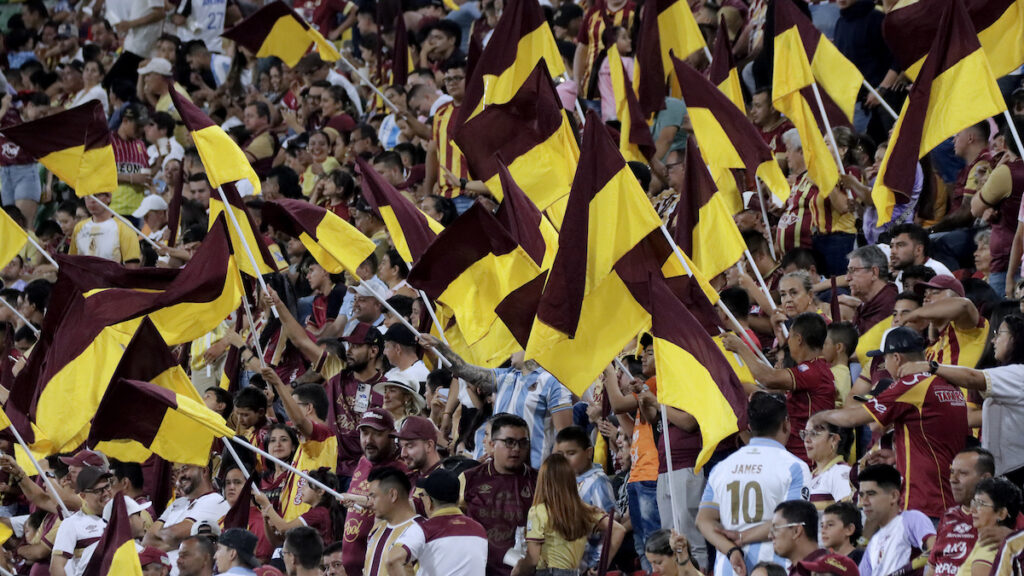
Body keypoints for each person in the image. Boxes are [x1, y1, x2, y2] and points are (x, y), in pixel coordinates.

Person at [813, 326, 968, 519]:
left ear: (896, 358)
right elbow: (932, 438)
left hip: (923, 500)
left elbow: (852, 418)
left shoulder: (911, 384)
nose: (885, 367)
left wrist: (819, 417)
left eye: (885, 359)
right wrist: (897, 456)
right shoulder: (949, 384)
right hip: (952, 496)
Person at [898, 315, 1024, 486]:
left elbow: (972, 377)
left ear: (1017, 338)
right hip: (1007, 471)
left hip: (1017, 471)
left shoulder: (1019, 373)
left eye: (999, 333)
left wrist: (931, 366)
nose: (993, 340)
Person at [697, 393, 812, 576]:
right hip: (774, 566)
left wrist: (731, 549)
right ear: (786, 424)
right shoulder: (795, 467)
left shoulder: (722, 467)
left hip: (729, 568)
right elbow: (790, 521)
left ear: (749, 426)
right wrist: (742, 538)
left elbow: (703, 520)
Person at [420, 335, 573, 469]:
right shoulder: (504, 377)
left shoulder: (554, 383)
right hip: (496, 472)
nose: (510, 352)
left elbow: (565, 436)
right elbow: (464, 370)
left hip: (534, 473)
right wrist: (440, 347)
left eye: (515, 346)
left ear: (532, 347)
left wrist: (551, 476)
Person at [724, 312, 836, 463]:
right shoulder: (816, 369)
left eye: (790, 337)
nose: (788, 342)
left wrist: (741, 347)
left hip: (806, 459)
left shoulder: (812, 371)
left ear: (799, 339)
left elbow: (768, 378)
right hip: (798, 454)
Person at [515, 453, 625, 575]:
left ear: (543, 480)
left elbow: (533, 559)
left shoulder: (538, 512)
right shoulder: (584, 510)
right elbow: (618, 530)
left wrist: (519, 569)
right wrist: (602, 565)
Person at [459, 414, 539, 576]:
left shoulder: (539, 481)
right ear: (492, 444)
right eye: (509, 442)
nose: (516, 448)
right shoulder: (468, 479)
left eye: (523, 443)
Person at [259, 368, 338, 522]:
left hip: (308, 530)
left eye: (293, 406)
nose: (289, 412)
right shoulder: (306, 440)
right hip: (293, 527)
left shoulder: (323, 435)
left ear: (308, 408)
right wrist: (269, 407)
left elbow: (299, 421)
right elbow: (280, 428)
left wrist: (279, 384)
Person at [339, 408, 409, 576]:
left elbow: (400, 507)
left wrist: (359, 499)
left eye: (376, 434)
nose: (368, 440)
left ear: (392, 435)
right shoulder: (364, 461)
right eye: (364, 433)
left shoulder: (401, 468)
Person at [387, 469, 487, 575]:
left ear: (429, 501)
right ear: (458, 499)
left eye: (422, 496)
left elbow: (393, 560)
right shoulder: (479, 530)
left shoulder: (423, 529)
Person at [856, 465, 937, 576]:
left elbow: (936, 551)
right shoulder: (873, 543)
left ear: (894, 496)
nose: (864, 502)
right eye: (861, 495)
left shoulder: (911, 519)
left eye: (871, 494)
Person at [926, 448, 996, 576]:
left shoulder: (1002, 518)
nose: (953, 479)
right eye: (952, 472)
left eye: (962, 473)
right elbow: (933, 566)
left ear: (985, 478)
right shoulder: (948, 516)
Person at [144, 463, 229, 555]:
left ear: (204, 471)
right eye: (178, 471)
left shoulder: (215, 501)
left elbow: (174, 535)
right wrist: (174, 542)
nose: (180, 476)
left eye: (185, 469)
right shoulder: (177, 502)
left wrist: (164, 539)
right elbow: (147, 540)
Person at [50, 466, 114, 576]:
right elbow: (57, 567)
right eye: (98, 491)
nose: (105, 493)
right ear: (83, 496)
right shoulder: (71, 524)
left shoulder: (122, 515)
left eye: (107, 486)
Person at [958, 478, 1020, 576]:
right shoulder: (1005, 545)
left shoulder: (989, 551)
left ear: (1001, 513)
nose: (972, 510)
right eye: (974, 502)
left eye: (980, 504)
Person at [363, 466, 419, 575]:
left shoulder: (423, 531)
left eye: (373, 497)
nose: (369, 503)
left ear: (393, 495)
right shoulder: (376, 529)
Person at [69, 193, 142, 266]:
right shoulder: (79, 227)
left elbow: (132, 265)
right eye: (87, 196)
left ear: (109, 197)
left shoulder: (124, 226)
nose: (92, 200)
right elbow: (72, 263)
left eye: (97, 195)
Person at [802, 420, 853, 511]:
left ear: (834, 439)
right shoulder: (809, 475)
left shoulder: (841, 473)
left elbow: (848, 516)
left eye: (814, 434)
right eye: (805, 433)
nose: (807, 440)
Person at [770, 500, 826, 573]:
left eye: (776, 528)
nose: (770, 536)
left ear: (796, 531)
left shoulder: (826, 571)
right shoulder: (799, 570)